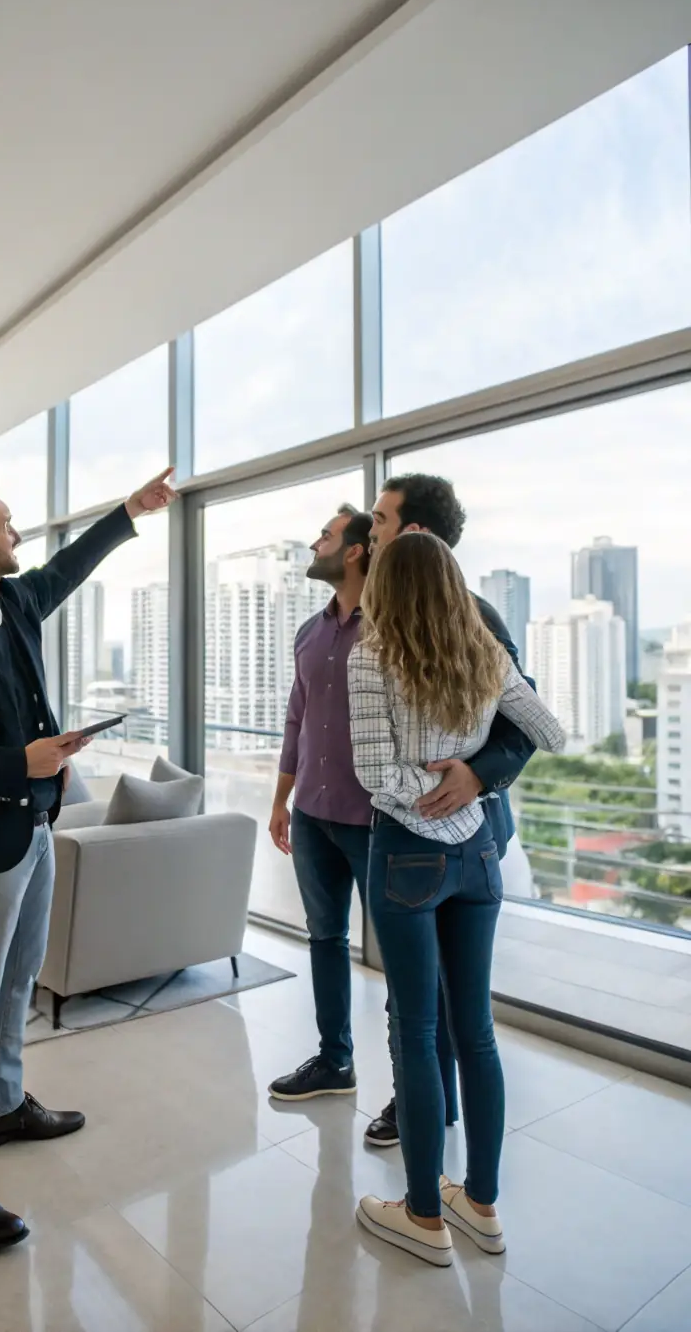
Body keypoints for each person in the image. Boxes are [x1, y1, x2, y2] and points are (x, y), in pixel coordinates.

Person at [0, 468, 176, 1254]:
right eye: (8, 523)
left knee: (20, 977)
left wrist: (128, 512)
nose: (20, 536)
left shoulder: (13, 601)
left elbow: (68, 568)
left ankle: (2, 1104)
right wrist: (19, 762)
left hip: (36, 827)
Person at [349, 533, 565, 1265]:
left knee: (416, 1031)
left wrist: (429, 794)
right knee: (475, 1031)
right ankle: (482, 1204)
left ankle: (421, 1215)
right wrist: (471, 781)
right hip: (478, 857)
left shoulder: (369, 655)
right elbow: (551, 732)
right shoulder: (485, 654)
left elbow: (375, 772)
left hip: (408, 855)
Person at [362, 473, 536, 1148]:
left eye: (378, 520)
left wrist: (478, 773)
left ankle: (424, 1123)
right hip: (401, 819)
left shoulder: (473, 615)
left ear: (411, 532)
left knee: (440, 1004)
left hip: (463, 830)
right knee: (417, 996)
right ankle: (429, 1112)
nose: (368, 531)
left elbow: (525, 718)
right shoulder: (385, 611)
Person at [267, 506, 374, 1102]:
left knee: (403, 963)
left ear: (355, 550)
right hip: (311, 815)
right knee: (325, 938)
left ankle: (413, 1088)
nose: (316, 543)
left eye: (326, 536)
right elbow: (295, 721)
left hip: (375, 821)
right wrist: (282, 801)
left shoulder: (386, 627)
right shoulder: (311, 631)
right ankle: (336, 1062)